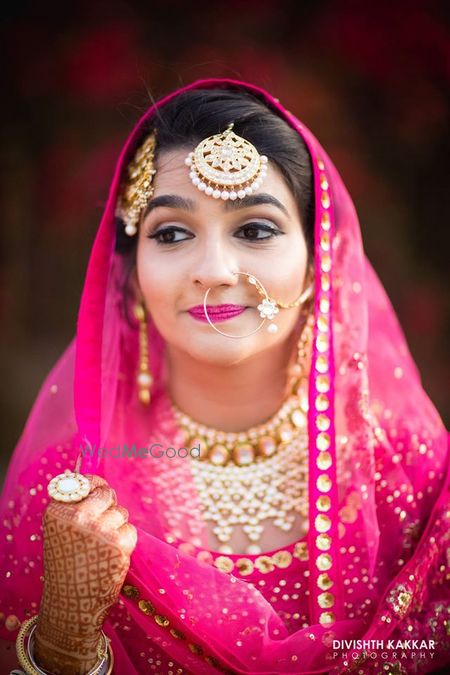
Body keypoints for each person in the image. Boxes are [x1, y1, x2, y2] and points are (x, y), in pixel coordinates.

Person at [0, 78, 448, 675]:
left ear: (321, 263)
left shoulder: (410, 472)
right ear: (131, 274)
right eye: (171, 234)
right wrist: (64, 638)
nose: (213, 270)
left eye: (256, 229)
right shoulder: (70, 492)